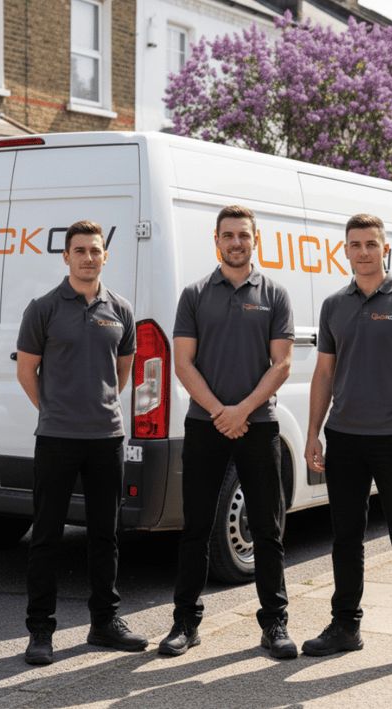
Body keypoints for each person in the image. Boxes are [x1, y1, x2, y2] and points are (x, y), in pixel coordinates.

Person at [158, 205, 297, 659]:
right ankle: (185, 623)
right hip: (205, 424)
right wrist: (221, 411)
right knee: (195, 526)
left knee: (267, 529)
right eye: (228, 235)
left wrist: (243, 411)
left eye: (243, 235)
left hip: (259, 426)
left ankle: (274, 625)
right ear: (215, 240)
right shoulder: (195, 294)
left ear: (256, 240)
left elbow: (282, 364)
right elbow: (183, 362)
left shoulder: (275, 294)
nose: (236, 242)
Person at [303, 213, 392, 672]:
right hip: (343, 438)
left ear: (386, 250)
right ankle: (345, 627)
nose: (363, 251)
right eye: (355, 244)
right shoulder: (333, 305)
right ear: (345, 250)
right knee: (345, 538)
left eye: (371, 244)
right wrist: (312, 435)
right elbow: (323, 374)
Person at [16, 220, 148, 665]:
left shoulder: (122, 310)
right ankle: (40, 631)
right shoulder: (44, 307)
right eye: (80, 250)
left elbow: (123, 369)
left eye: (95, 250)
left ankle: (104, 623)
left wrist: (100, 406)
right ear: (66, 257)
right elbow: (26, 372)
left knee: (105, 536)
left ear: (105, 256)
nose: (88, 257)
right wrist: (54, 410)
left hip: (106, 439)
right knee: (47, 536)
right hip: (56, 438)